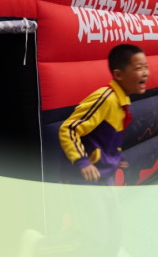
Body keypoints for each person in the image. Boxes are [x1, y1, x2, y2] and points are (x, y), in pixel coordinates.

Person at [59, 44, 148, 184]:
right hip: (83, 178)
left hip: (103, 175)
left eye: (146, 67)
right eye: (138, 68)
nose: (145, 73)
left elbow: (107, 137)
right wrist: (83, 162)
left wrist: (115, 155)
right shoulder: (105, 98)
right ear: (118, 75)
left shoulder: (122, 101)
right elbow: (69, 129)